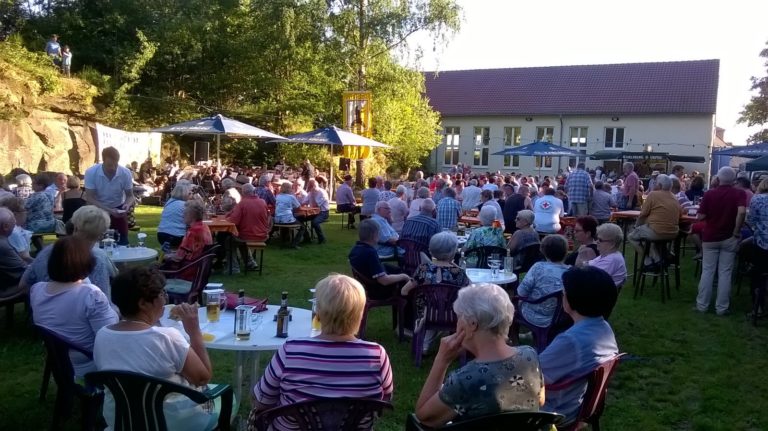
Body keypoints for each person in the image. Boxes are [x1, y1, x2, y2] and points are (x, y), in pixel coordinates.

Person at [252, 274, 393, 430]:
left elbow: (262, 401)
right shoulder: (377, 355)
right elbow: (384, 401)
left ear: (318, 313)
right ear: (360, 314)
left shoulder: (291, 351)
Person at [94, 267, 226, 430]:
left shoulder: (102, 335)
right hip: (170, 422)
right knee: (229, 396)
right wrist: (194, 331)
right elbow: (202, 378)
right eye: (161, 294)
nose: (165, 299)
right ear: (143, 303)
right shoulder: (167, 337)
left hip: (120, 421)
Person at [414, 283, 544, 427]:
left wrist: (442, 360)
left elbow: (424, 417)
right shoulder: (530, 355)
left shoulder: (464, 380)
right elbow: (540, 399)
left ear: (472, 324)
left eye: (458, 318)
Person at [539, 266, 619, 427]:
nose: (562, 295)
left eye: (564, 292)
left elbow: (532, 375)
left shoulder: (570, 341)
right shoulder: (603, 327)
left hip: (555, 412)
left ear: (572, 300)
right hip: (577, 405)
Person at [30, 235, 118, 378]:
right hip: (91, 363)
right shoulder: (90, 295)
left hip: (59, 360)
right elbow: (110, 336)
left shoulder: (37, 289)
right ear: (87, 261)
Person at [20, 205, 116, 299]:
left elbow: (23, 285)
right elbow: (103, 300)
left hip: (44, 310)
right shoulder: (97, 258)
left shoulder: (47, 251)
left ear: (75, 227)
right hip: (83, 313)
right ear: (100, 235)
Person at [400, 232, 470, 353]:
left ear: (431, 251)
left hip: (426, 314)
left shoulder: (423, 269)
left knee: (432, 306)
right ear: (453, 252)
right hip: (452, 315)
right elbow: (469, 293)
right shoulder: (459, 274)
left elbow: (404, 291)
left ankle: (425, 343)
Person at [695, 167, 747, 316]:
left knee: (708, 271)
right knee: (725, 272)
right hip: (730, 237)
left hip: (710, 237)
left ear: (718, 178)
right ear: (734, 179)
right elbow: (742, 211)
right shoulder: (739, 193)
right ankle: (722, 308)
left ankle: (702, 305)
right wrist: (736, 231)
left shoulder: (710, 194)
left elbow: (700, 217)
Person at [84, 147, 135, 245]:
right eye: (109, 165)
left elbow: (130, 196)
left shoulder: (125, 173)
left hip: (119, 208)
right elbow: (90, 198)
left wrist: (127, 205)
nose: (113, 168)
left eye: (116, 164)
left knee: (122, 243)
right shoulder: (91, 172)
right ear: (103, 161)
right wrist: (109, 210)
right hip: (97, 209)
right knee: (96, 243)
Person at [349, 219, 411, 300]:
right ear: (374, 235)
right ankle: (410, 311)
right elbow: (383, 280)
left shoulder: (356, 249)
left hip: (367, 286)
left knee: (398, 270)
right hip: (378, 291)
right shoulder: (370, 253)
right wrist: (404, 276)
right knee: (408, 286)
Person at [627, 174, 680, 266]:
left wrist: (636, 227)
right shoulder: (674, 197)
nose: (653, 185)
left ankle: (647, 261)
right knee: (650, 235)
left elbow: (643, 215)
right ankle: (660, 257)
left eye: (655, 183)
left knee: (631, 237)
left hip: (657, 231)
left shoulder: (653, 194)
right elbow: (680, 213)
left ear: (659, 185)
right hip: (673, 233)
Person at [516, 235, 569, 327]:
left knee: (514, 302)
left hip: (536, 315)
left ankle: (513, 338)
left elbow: (521, 292)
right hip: (561, 316)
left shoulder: (538, 267)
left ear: (543, 251)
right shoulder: (571, 271)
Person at [161, 200, 213, 281]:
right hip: (198, 268)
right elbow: (187, 252)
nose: (182, 215)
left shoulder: (192, 232)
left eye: (185, 213)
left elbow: (178, 258)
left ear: (191, 215)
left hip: (187, 271)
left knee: (154, 267)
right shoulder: (204, 227)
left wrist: (167, 256)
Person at [226, 183, 270, 270]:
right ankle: (250, 262)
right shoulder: (262, 202)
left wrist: (228, 216)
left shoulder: (242, 203)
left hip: (248, 235)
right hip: (262, 235)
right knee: (239, 239)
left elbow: (234, 221)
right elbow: (268, 217)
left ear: (243, 193)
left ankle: (234, 267)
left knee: (229, 240)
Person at [747, 178, 768, 316]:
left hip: (762, 243)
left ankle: (758, 307)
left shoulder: (757, 199)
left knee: (758, 274)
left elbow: (751, 220)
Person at [587, 223, 627, 289]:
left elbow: (591, 278)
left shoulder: (612, 260)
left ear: (612, 244)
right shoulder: (606, 255)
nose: (596, 242)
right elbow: (588, 265)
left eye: (600, 240)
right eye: (597, 238)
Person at [157, 182, 193, 248]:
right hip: (176, 236)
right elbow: (191, 222)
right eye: (190, 193)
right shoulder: (185, 205)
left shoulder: (169, 202)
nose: (191, 195)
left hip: (161, 234)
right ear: (184, 194)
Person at [0, 208, 28, 289]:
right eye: (14, 223)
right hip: (10, 286)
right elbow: (23, 268)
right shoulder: (3, 245)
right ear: (5, 227)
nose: (15, 225)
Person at [303, 178, 330, 244]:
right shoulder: (311, 192)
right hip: (313, 212)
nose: (310, 189)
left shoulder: (322, 192)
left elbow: (316, 205)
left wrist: (313, 195)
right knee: (300, 219)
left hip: (323, 212)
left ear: (314, 186)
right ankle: (307, 238)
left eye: (311, 187)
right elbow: (305, 202)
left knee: (315, 222)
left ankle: (322, 239)